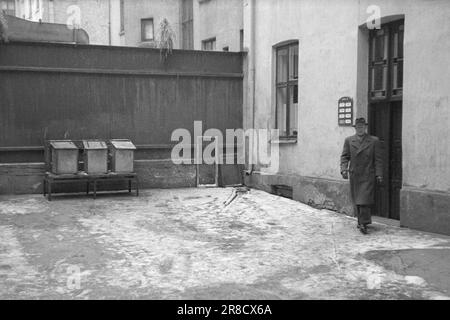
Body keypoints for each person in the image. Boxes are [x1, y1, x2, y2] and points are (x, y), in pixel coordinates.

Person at [340, 117, 383, 234]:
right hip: (355, 174)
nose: (360, 129)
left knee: (364, 200)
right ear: (355, 128)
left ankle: (364, 223)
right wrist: (344, 169)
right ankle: (361, 221)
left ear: (365, 128)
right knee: (358, 200)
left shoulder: (374, 141)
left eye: (362, 127)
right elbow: (344, 157)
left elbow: (378, 159)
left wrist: (379, 174)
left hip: (368, 174)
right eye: (358, 127)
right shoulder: (349, 140)